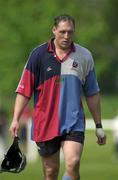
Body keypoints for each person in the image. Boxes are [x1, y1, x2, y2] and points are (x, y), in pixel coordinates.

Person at [9, 14, 106, 180]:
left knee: (73, 162)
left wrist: (98, 125)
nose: (66, 36)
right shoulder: (37, 55)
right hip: (45, 122)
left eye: (70, 32)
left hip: (73, 122)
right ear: (54, 30)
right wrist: (16, 118)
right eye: (62, 32)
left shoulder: (84, 56)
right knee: (50, 172)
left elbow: (92, 93)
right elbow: (24, 90)